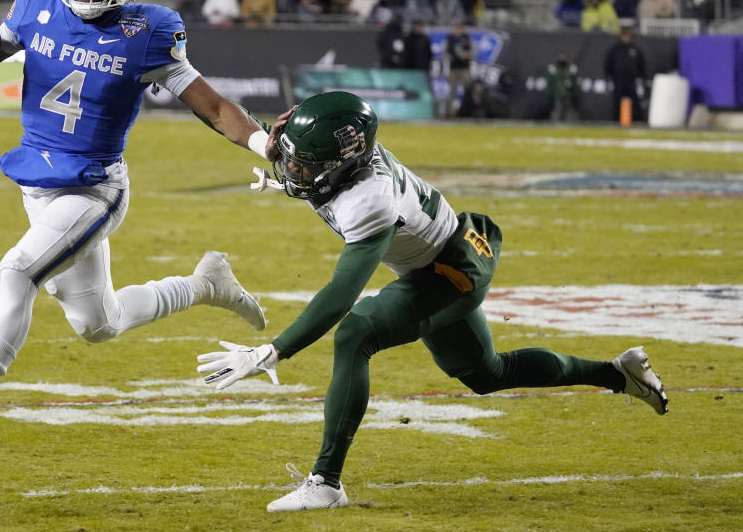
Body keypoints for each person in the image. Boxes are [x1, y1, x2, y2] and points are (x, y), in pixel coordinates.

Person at [0, 0, 271, 460]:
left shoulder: (150, 30)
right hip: (38, 181)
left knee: (17, 270)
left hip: (92, 187)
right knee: (99, 325)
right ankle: (205, 285)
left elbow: (214, 106)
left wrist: (267, 148)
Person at [196, 91, 669, 512]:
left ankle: (326, 481)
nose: (293, 170)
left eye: (303, 165)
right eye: (292, 160)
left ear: (342, 164)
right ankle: (617, 374)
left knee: (355, 331)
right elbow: (250, 129)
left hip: (451, 268)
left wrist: (273, 351)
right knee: (488, 374)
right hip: (433, 262)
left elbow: (343, 292)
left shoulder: (370, 199)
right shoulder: (342, 162)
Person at [604, 26, 647, 122]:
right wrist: (608, 77)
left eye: (628, 36)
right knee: (617, 101)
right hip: (618, 80)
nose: (626, 38)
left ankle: (637, 121)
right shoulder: (614, 50)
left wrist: (641, 78)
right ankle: (616, 121)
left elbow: (641, 65)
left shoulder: (635, 50)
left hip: (631, 80)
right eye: (625, 36)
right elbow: (608, 64)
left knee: (635, 102)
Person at [443, 20, 472, 117]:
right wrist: (459, 55)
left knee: (466, 90)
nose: (458, 30)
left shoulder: (466, 38)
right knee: (451, 91)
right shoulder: (450, 38)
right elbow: (447, 53)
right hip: (453, 68)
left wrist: (465, 55)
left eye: (459, 28)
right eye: (456, 27)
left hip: (464, 69)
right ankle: (449, 112)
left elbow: (472, 52)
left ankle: (465, 111)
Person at [545, 52, 580, 121]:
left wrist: (571, 87)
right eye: (561, 58)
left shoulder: (569, 69)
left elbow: (574, 82)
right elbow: (553, 82)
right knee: (558, 109)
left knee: (568, 109)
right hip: (558, 94)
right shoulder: (556, 69)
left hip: (567, 94)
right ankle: (556, 122)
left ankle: (569, 122)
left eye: (563, 58)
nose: (562, 59)